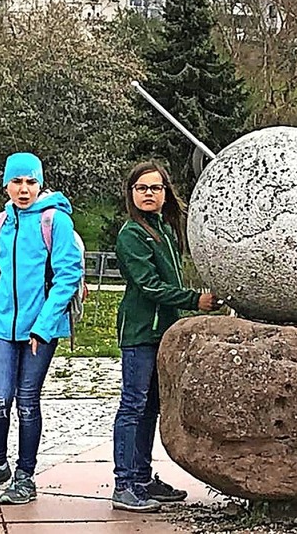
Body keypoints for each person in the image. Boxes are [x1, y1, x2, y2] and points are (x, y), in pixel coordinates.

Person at [0, 152, 83, 504]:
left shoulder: (54, 221)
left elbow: (67, 276)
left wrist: (43, 327)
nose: (24, 189)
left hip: (39, 330)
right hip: (0, 327)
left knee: (27, 402)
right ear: (6, 184)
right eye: (17, 182)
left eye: (31, 182)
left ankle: (26, 476)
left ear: (40, 184)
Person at [112, 161, 219, 513]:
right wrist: (194, 300)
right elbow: (150, 285)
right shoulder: (131, 234)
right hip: (141, 332)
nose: (148, 194)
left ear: (165, 193)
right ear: (131, 194)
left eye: (155, 188)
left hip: (165, 332)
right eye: (141, 188)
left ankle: (143, 477)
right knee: (133, 406)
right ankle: (124, 483)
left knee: (151, 408)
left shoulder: (167, 231)